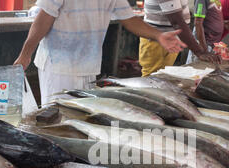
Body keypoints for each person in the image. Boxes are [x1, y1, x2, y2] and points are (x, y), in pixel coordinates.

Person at [14, 0, 187, 105]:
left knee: (79, 116)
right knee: (55, 118)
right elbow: (43, 19)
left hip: (88, 66)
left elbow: (129, 19)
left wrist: (158, 35)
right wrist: (25, 54)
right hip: (59, 66)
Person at [139, 0, 221, 77]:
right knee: (152, 77)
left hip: (171, 39)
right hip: (157, 41)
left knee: (162, 75)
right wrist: (200, 52)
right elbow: (176, 22)